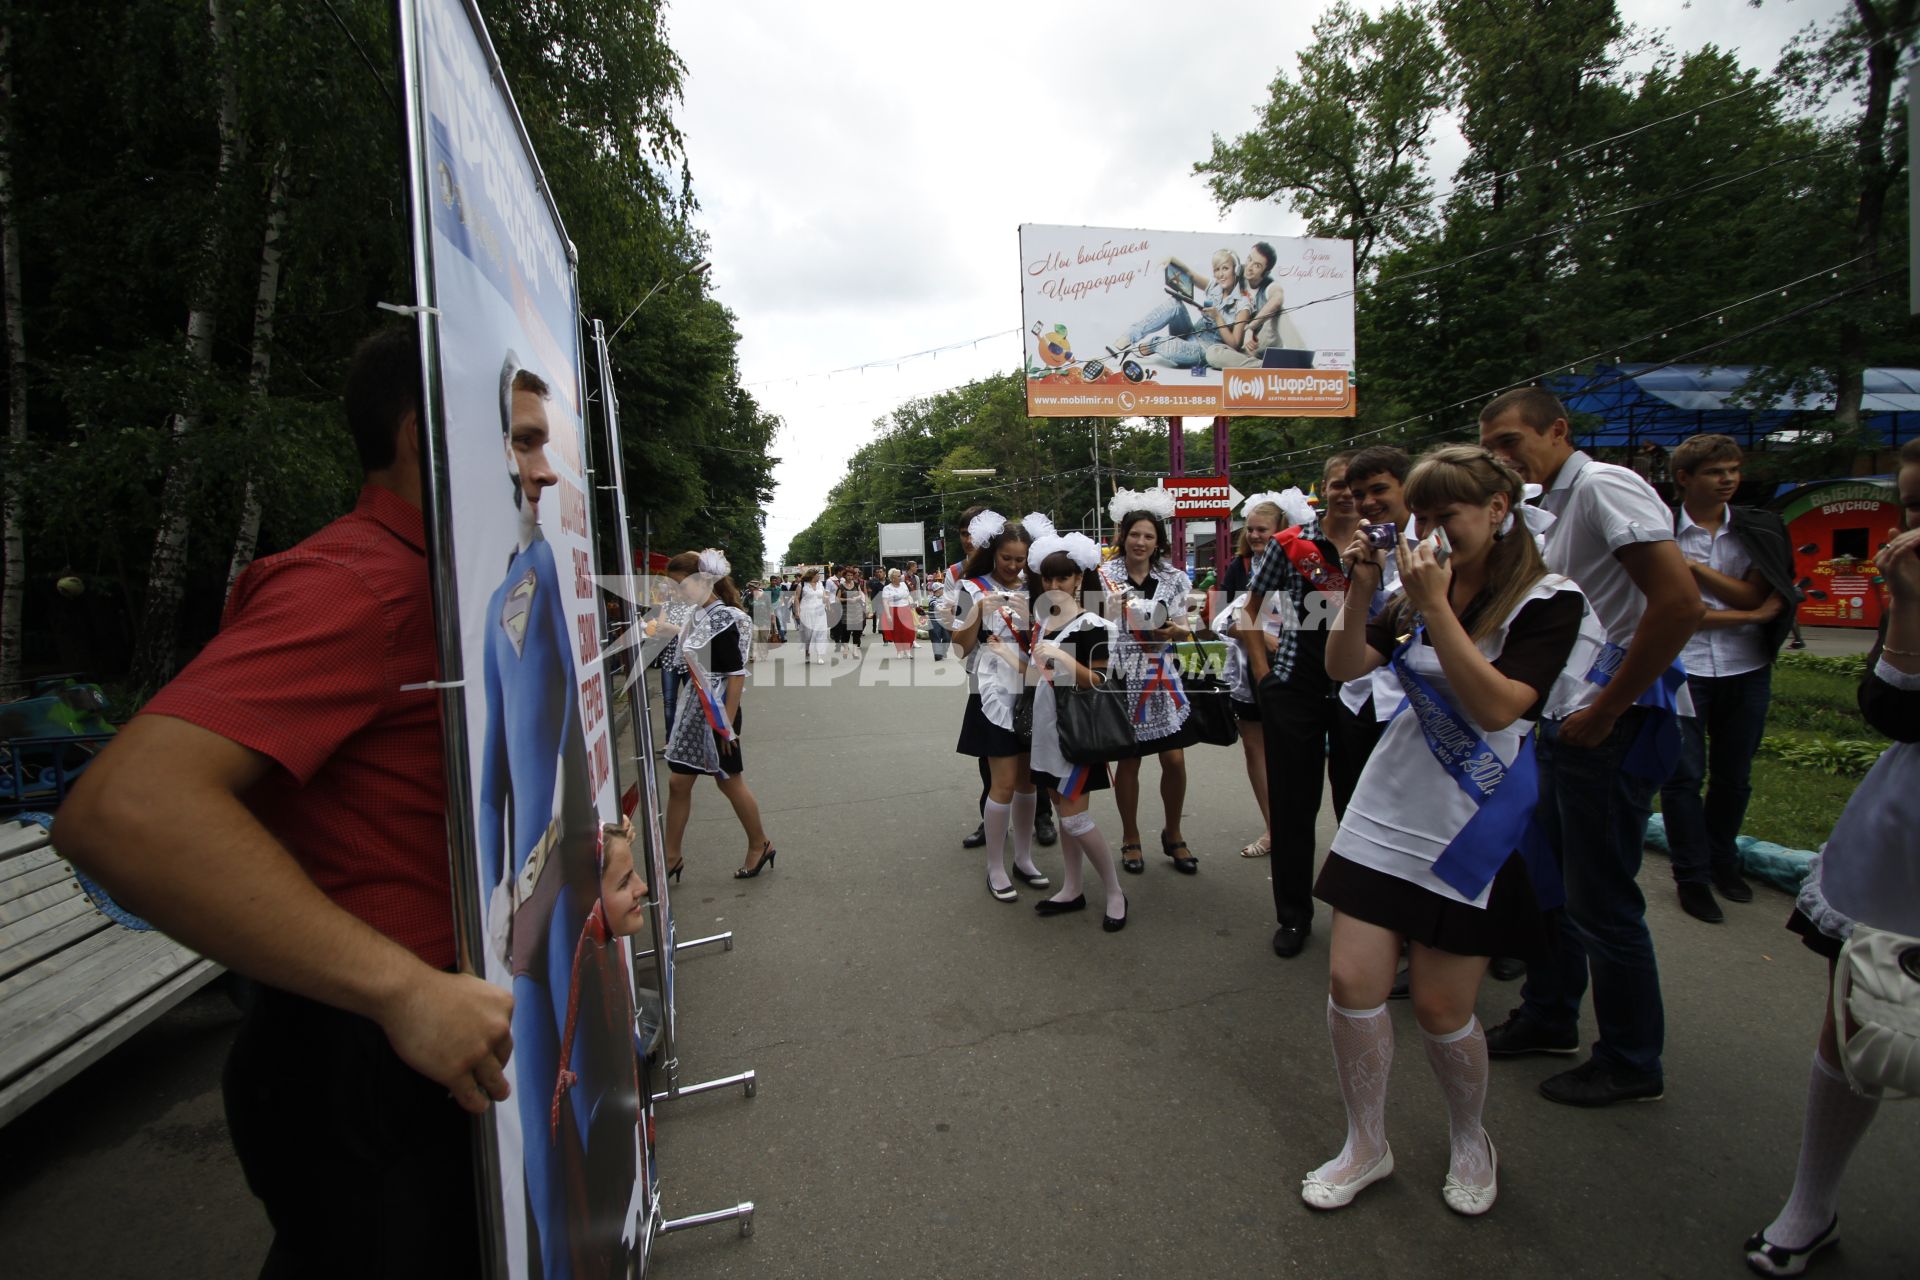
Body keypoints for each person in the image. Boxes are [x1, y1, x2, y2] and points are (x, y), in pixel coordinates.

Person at [54, 328, 511, 1274]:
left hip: (429, 1048)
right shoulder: (360, 586)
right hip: (371, 1070)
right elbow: (126, 809)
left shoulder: (447, 585)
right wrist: (400, 988)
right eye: (524, 440)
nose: (546, 475)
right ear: (430, 437)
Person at [1303, 445, 1600, 1215]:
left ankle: (1471, 1136)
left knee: (1440, 1006)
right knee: (1350, 982)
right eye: (1421, 515)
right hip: (1390, 803)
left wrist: (1434, 605)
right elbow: (1342, 667)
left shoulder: (1548, 599)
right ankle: (1365, 1141)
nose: (1427, 530)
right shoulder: (1409, 589)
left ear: (1498, 512)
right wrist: (1362, 591)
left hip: (1474, 816)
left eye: (1446, 516)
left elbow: (1503, 706)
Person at [1480, 386, 1703, 1107]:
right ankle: (1550, 1014)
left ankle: (1633, 1058)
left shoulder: (1606, 487)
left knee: (1601, 899)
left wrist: (1608, 710)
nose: (1501, 458)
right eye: (1490, 447)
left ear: (1558, 431)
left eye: (1511, 442)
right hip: (1566, 718)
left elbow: (1677, 604)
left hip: (1613, 722)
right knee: (1554, 882)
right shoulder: (1545, 506)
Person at [1743, 437, 1919, 1276]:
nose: (1913, 526)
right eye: (1912, 507)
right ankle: (1810, 1204)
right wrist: (1909, 603)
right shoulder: (1912, 583)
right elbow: (1892, 705)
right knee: (1859, 1008)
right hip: (1907, 829)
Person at [1660, 433, 1797, 924]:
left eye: (1734, 471)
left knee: (1734, 777)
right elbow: (1677, 613)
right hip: (1683, 667)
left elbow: (1756, 596)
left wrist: (1693, 568)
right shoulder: (1660, 531)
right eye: (1716, 472)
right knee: (1683, 778)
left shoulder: (1759, 528)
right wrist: (1750, 614)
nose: (1728, 480)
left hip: (1746, 668)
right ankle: (1691, 875)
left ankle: (1723, 860)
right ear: (1684, 478)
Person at [1235, 455, 1365, 958]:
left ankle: (1364, 915)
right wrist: (1266, 679)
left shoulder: (1388, 544)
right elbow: (1249, 612)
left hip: (1361, 689)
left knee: (1359, 808)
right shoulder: (1294, 545)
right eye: (1338, 485)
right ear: (1324, 490)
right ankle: (1293, 916)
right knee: (1293, 809)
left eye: (1356, 486)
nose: (1347, 494)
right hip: (1297, 688)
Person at [1020, 531, 1129, 932]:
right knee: (1065, 815)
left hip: (1080, 735)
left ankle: (1115, 891)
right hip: (1048, 732)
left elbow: (1098, 681)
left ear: (1079, 579)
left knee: (1075, 818)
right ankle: (1071, 887)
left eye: (1062, 578)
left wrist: (1061, 656)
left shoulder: (1094, 625)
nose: (1054, 586)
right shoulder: (1044, 623)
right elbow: (1039, 676)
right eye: (1048, 579)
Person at [661, 549, 779, 880]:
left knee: (728, 781)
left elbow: (735, 674)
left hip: (717, 713)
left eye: (681, 584)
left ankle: (760, 843)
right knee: (678, 782)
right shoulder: (696, 615)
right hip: (694, 711)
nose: (678, 592)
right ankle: (670, 858)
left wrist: (725, 725)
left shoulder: (725, 618)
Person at [952, 511, 1051, 901]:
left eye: (1020, 559)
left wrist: (1033, 617)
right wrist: (979, 611)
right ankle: (995, 866)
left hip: (1031, 687)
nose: (1013, 566)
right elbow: (959, 647)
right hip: (992, 692)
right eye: (1007, 558)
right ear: (993, 553)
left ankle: (1024, 859)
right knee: (1003, 783)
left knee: (1029, 781)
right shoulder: (971, 587)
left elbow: (1051, 637)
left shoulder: (1038, 586)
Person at [1099, 488, 1197, 875]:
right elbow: (1095, 625)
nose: (1140, 542)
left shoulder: (1173, 578)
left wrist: (1176, 630)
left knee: (1174, 758)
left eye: (1149, 536)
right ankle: (1130, 837)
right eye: (1134, 534)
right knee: (1130, 760)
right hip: (1123, 674)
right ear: (1123, 535)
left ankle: (1173, 833)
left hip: (1161, 675)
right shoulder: (1105, 576)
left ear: (1159, 541)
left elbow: (1189, 624)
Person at [1110, 249, 1250, 368]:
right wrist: (1172, 259)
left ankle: (1150, 346)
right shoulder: (1215, 287)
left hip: (1202, 350)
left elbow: (1235, 345)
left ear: (1236, 270)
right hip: (1191, 333)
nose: (1220, 274)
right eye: (1217, 270)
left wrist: (1218, 318)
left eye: (1225, 268)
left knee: (1164, 344)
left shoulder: (1242, 305)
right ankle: (1128, 337)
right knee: (1175, 303)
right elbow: (1191, 275)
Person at [797, 568, 830, 666]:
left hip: (820, 613)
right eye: (817, 574)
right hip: (806, 612)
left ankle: (820, 656)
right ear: (812, 575)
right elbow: (796, 598)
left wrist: (827, 601)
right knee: (808, 635)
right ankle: (807, 653)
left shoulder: (820, 584)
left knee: (820, 634)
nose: (819, 576)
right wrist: (796, 611)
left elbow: (824, 597)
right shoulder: (802, 585)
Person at [927, 578, 953, 660]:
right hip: (934, 621)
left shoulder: (945, 598)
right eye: (942, 588)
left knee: (947, 638)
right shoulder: (931, 599)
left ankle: (943, 651)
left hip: (944, 621)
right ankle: (938, 654)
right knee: (936, 638)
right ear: (937, 590)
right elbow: (939, 608)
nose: (943, 590)